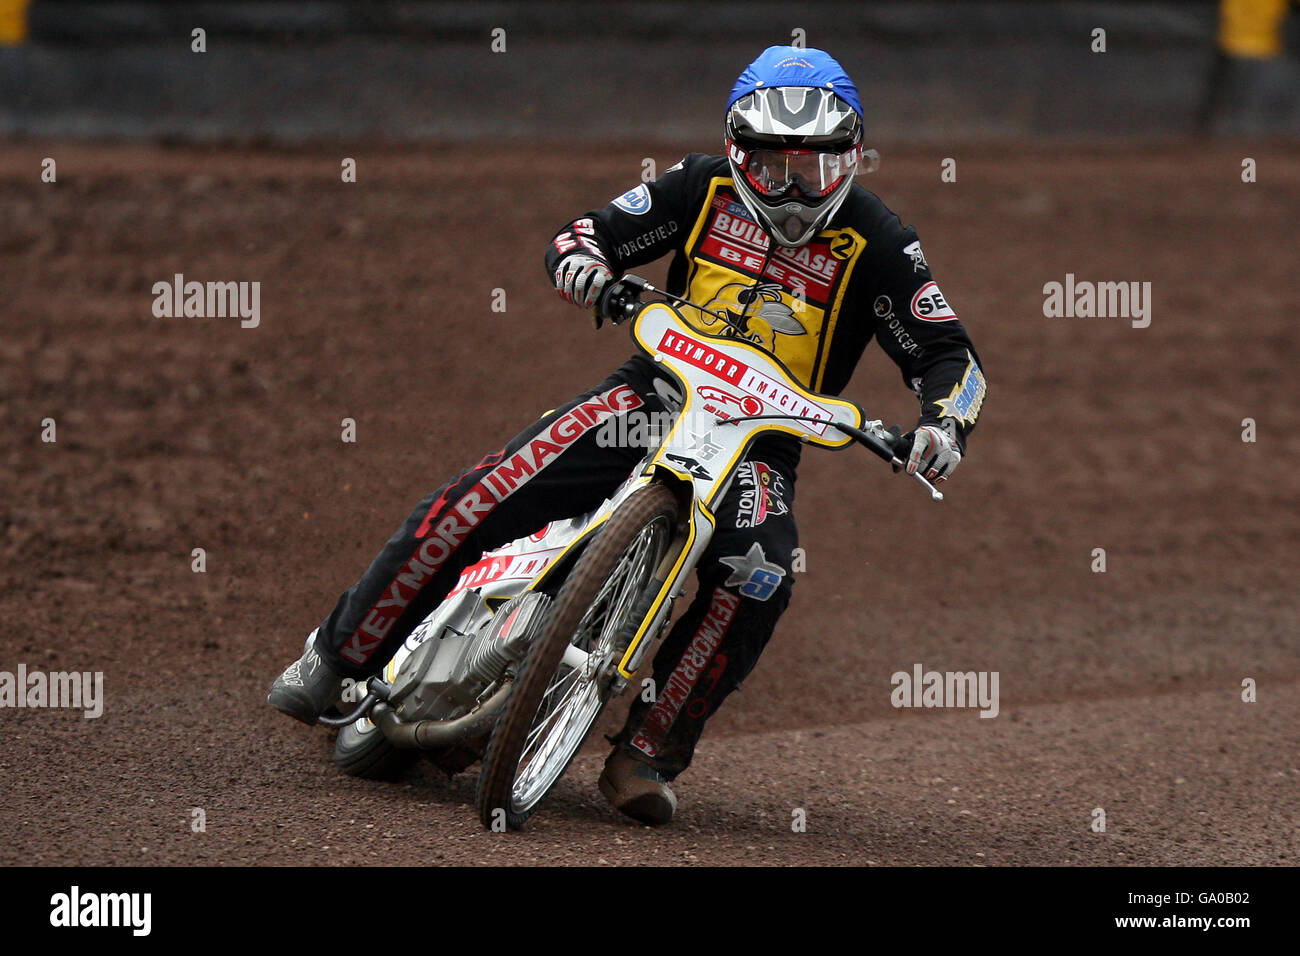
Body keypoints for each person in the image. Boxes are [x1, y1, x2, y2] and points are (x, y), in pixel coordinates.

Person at [268, 45, 987, 826]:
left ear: (851, 155)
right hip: (654, 392)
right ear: (737, 150)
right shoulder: (697, 184)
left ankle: (647, 751)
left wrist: (942, 423)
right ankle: (339, 656)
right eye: (772, 166)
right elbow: (587, 231)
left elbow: (950, 353)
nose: (790, 189)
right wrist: (583, 264)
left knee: (762, 573)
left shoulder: (879, 238)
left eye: (812, 168)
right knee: (487, 493)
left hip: (762, 442)